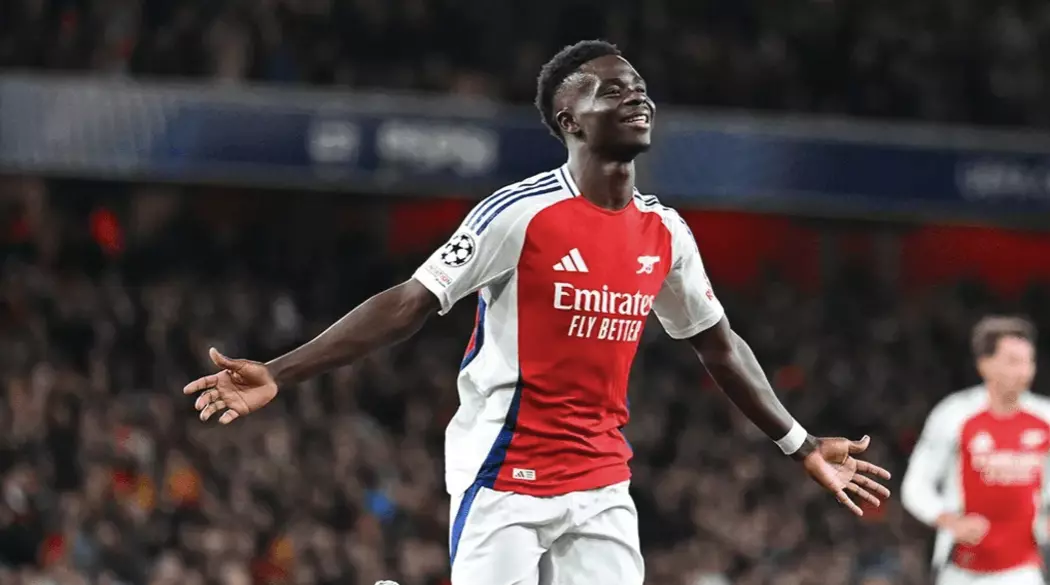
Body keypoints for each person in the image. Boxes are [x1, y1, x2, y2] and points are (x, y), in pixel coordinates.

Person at [182, 40, 891, 585]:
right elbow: (409, 302)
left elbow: (718, 343)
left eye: (639, 87)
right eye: (612, 88)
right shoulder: (520, 214)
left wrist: (800, 443)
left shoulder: (665, 232)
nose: (636, 97)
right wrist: (280, 371)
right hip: (504, 469)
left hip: (601, 477)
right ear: (568, 118)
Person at [902, 316, 1049, 585]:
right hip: (962, 571)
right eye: (1013, 361)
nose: (1024, 371)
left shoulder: (1045, 417)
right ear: (985, 364)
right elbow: (915, 485)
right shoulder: (954, 415)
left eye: (1029, 361)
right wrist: (949, 520)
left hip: (1024, 571)